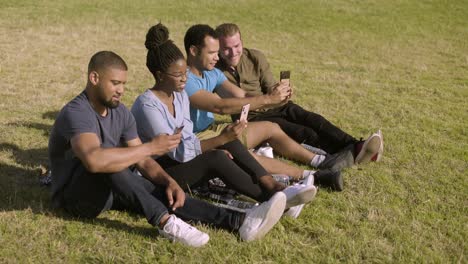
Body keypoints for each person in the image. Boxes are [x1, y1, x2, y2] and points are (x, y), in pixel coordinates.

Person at [48, 50, 288, 247]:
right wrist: (151, 146)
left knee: (161, 190)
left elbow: (143, 161)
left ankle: (239, 221)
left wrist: (168, 182)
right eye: (115, 83)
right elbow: (94, 161)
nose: (121, 89)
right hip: (75, 197)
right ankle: (165, 222)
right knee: (112, 163)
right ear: (94, 78)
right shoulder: (76, 112)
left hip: (111, 191)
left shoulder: (120, 112)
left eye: (123, 83)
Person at [131, 23, 318, 219]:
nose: (184, 79)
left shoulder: (179, 95)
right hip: (158, 173)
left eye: (185, 73)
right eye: (178, 75)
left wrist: (223, 139)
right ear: (160, 75)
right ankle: (276, 199)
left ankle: (273, 185)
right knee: (218, 154)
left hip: (179, 159)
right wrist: (217, 142)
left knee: (227, 140)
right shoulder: (147, 106)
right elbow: (178, 152)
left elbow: (187, 138)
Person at [183, 24, 352, 174]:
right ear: (194, 51)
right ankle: (309, 176)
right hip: (196, 140)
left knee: (272, 127)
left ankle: (321, 161)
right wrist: (268, 98)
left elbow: (241, 95)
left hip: (214, 129)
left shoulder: (213, 73)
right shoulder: (184, 80)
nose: (217, 57)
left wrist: (275, 98)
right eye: (212, 52)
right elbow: (220, 107)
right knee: (242, 155)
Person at [214, 23, 383, 164]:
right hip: (253, 118)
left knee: (314, 120)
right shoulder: (214, 70)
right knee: (302, 132)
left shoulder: (255, 57)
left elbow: (270, 87)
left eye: (236, 46)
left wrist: (282, 92)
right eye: (226, 49)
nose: (233, 52)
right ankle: (344, 154)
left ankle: (356, 145)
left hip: (276, 105)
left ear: (242, 42)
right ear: (218, 49)